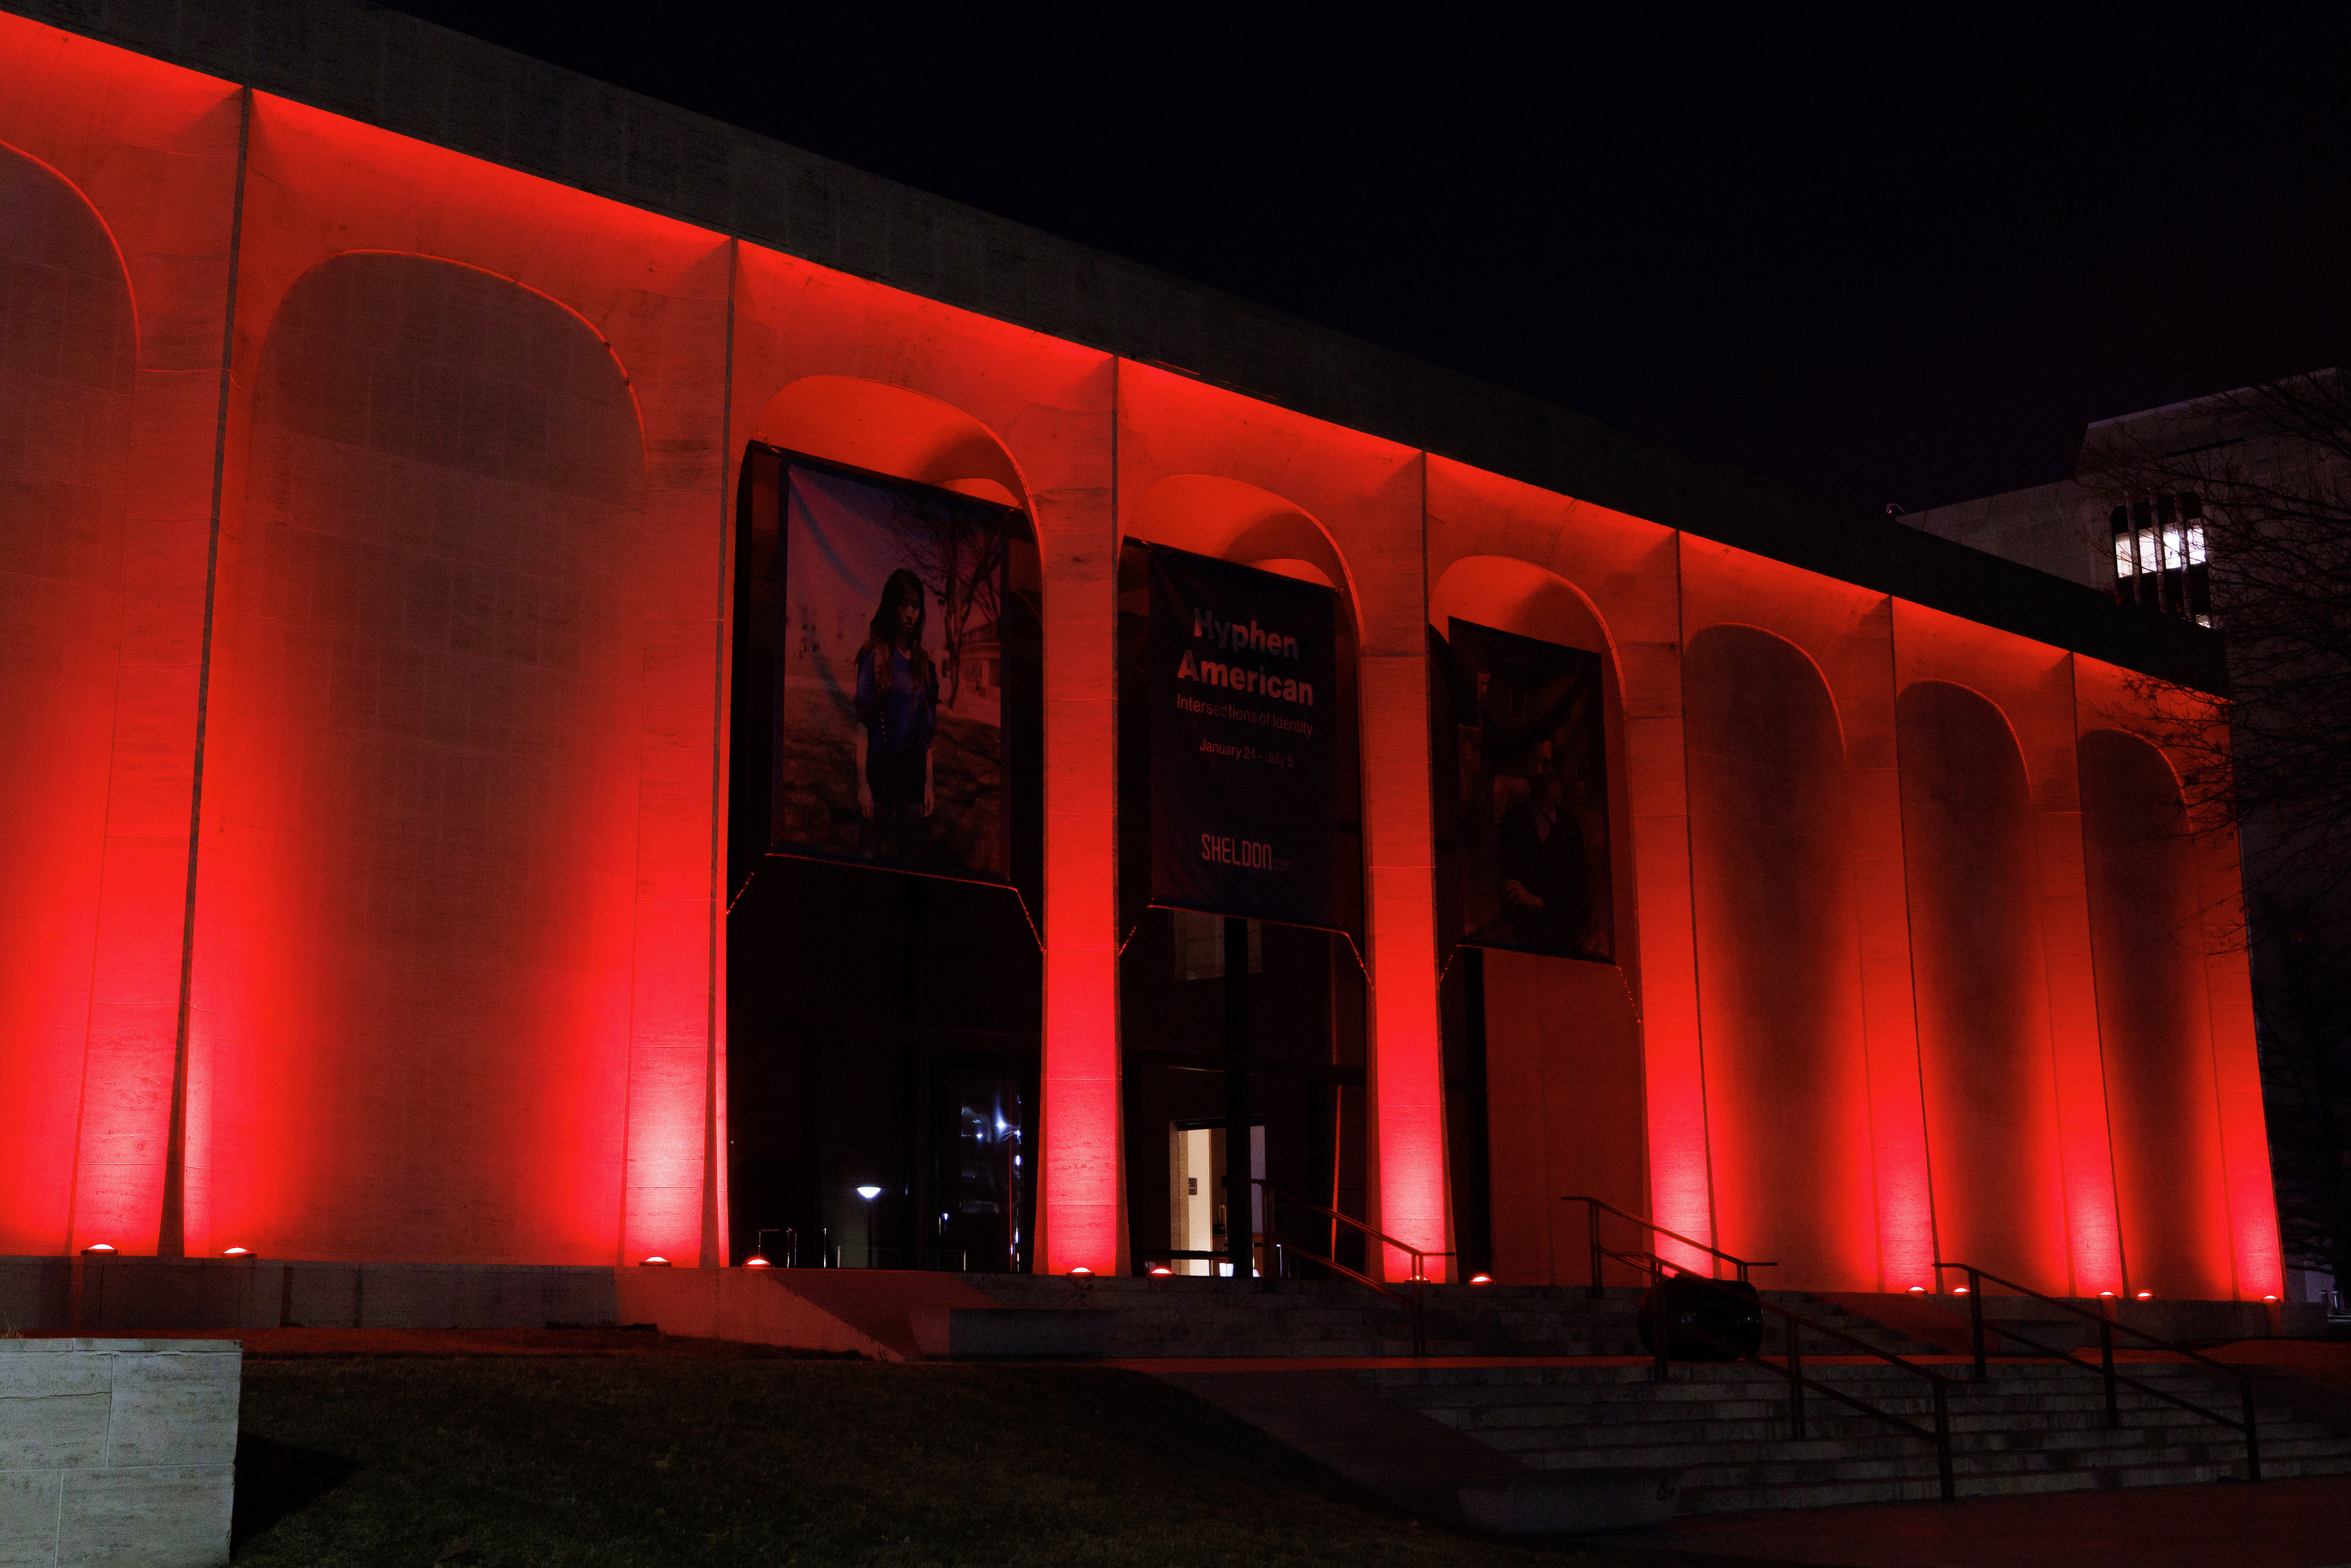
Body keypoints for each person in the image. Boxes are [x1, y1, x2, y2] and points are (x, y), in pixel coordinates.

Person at [853, 568, 937, 858]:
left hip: (913, 780)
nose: (910, 613)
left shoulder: (925, 666)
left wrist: (929, 784)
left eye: (916, 606)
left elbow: (928, 737)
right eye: (903, 605)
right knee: (869, 858)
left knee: (912, 861)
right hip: (878, 777)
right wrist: (862, 784)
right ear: (892, 607)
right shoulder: (874, 658)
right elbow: (862, 726)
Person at [1495, 733, 1594, 954]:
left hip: (1563, 950)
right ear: (1527, 766)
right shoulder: (1513, 822)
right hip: (1523, 946)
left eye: (1546, 763)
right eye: (1534, 762)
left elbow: (1581, 902)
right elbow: (1508, 901)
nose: (1539, 771)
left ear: (1555, 769)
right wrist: (1556, 906)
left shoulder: (1570, 829)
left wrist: (1537, 902)